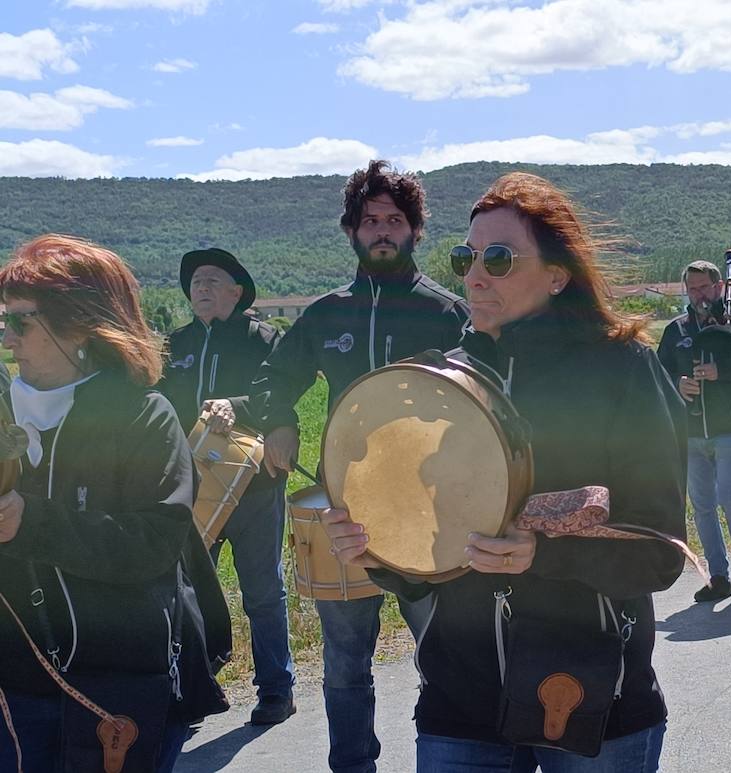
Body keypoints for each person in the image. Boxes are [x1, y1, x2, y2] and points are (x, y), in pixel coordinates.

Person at [323, 172, 686, 771]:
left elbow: (660, 551)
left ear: (556, 275)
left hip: (592, 693)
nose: (473, 274)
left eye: (498, 257)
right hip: (461, 700)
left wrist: (541, 554)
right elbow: (428, 558)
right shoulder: (442, 381)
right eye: (466, 255)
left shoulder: (622, 369)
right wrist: (381, 552)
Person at [246, 160, 469, 773]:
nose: (382, 231)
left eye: (394, 220)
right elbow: (271, 377)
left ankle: (445, 761)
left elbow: (488, 401)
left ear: (414, 231)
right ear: (352, 230)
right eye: (370, 220)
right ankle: (352, 765)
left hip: (431, 516)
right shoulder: (326, 313)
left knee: (443, 659)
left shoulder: (449, 314)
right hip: (346, 513)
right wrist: (279, 420)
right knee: (345, 664)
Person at [0, 235, 230, 773]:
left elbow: (155, 541)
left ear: (80, 323)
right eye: (2, 319)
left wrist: (31, 522)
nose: (8, 338)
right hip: (16, 682)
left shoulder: (142, 416)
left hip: (119, 686)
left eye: (21, 321)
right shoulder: (3, 411)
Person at [156, 247, 296, 725]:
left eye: (213, 281)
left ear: (238, 292)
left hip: (254, 486)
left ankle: (276, 690)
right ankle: (196, 684)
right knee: (190, 590)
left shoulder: (264, 339)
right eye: (196, 282)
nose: (202, 288)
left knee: (262, 590)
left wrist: (236, 404)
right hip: (190, 489)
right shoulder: (174, 344)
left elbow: (276, 392)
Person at [657, 260, 731, 602]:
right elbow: (657, 375)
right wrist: (677, 385)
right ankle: (718, 577)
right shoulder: (676, 331)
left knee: (730, 496)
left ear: (719, 287)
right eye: (692, 289)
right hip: (691, 430)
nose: (698, 295)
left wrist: (721, 370)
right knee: (703, 505)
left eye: (704, 287)